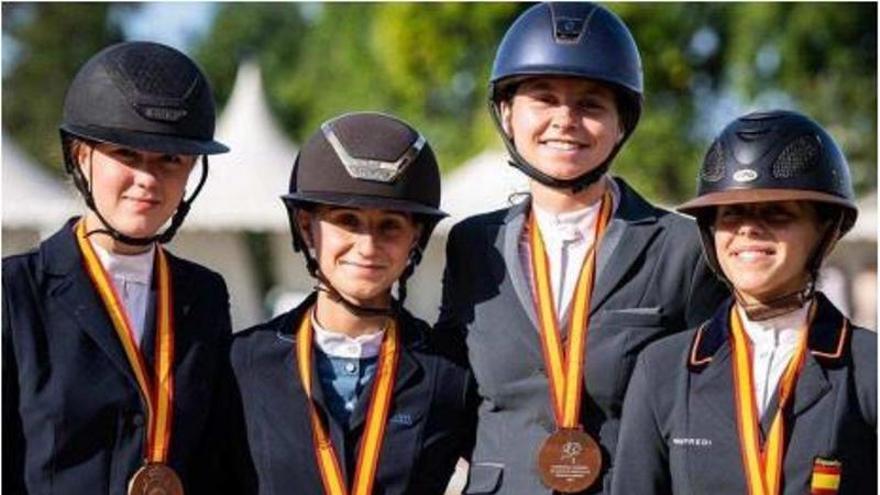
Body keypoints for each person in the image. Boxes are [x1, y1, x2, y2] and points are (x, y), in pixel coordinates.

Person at [435, 3, 728, 494]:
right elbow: (450, 398)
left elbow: (708, 412)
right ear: (507, 113)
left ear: (621, 123)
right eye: (543, 99)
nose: (565, 120)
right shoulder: (472, 245)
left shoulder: (682, 248)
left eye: (591, 104)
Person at [2, 41, 231, 494]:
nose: (148, 179)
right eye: (127, 155)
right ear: (82, 157)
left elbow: (214, 458)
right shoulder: (13, 291)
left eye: (171, 160)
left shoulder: (204, 296)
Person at [612, 110, 876, 494]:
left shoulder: (870, 366)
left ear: (826, 230)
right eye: (732, 214)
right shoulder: (663, 369)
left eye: (777, 212)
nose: (749, 229)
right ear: (711, 230)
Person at [229, 112, 475, 494]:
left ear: (416, 237)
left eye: (390, 225)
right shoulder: (241, 363)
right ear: (307, 227)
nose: (368, 246)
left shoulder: (451, 372)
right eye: (347, 220)